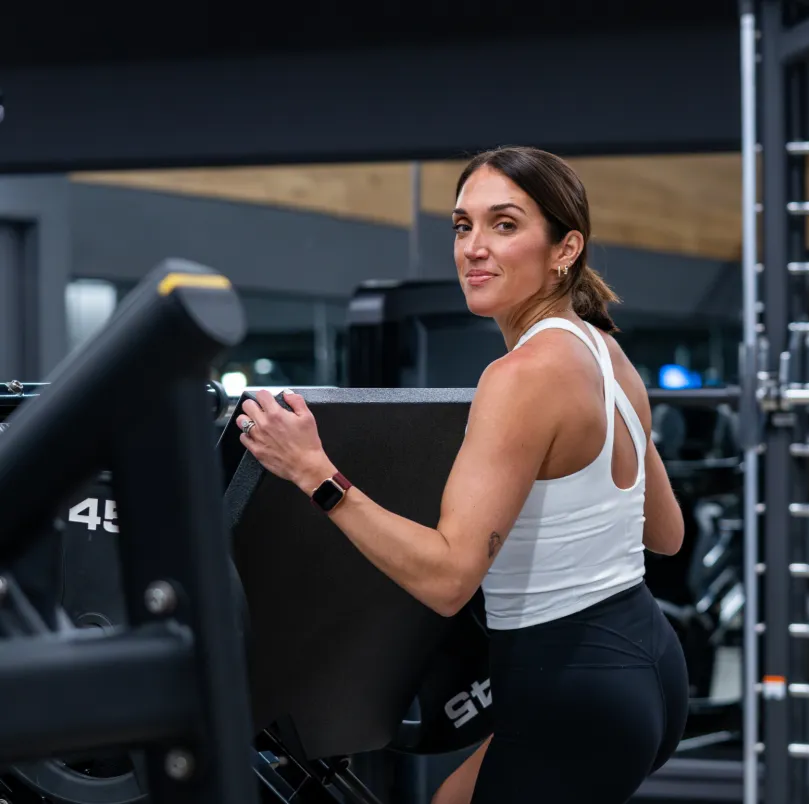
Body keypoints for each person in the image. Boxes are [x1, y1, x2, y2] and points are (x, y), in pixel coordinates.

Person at [235, 145, 691, 803]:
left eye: (504, 225)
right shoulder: (605, 350)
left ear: (565, 248)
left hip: (573, 690)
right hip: (649, 666)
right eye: (462, 225)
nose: (474, 247)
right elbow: (666, 533)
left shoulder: (518, 379)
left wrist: (312, 472)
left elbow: (449, 579)